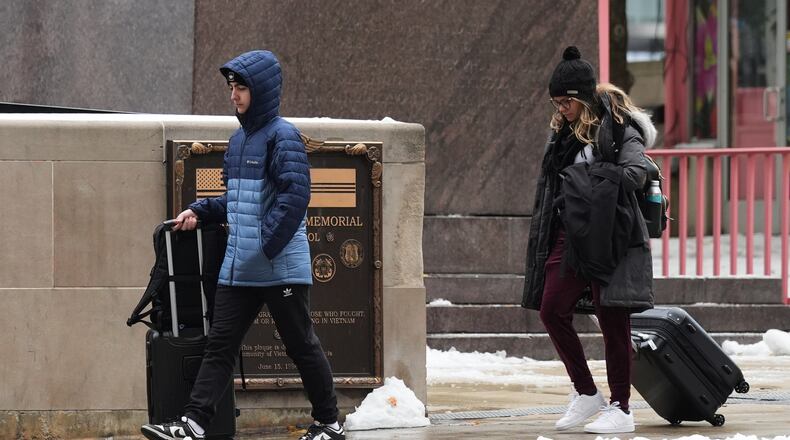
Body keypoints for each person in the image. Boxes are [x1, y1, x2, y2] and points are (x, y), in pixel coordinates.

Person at [141, 50, 344, 440]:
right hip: (241, 267)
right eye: (231, 88)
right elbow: (236, 202)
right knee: (220, 346)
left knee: (300, 345)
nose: (233, 95)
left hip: (276, 265)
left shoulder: (283, 137)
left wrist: (265, 246)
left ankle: (330, 423)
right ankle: (195, 423)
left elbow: (295, 197)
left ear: (262, 90)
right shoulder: (239, 141)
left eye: (241, 88)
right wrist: (201, 212)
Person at [522, 46, 656, 434]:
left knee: (613, 320)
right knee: (551, 309)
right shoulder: (561, 134)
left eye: (566, 101)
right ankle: (586, 393)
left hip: (609, 235)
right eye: (556, 102)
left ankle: (622, 408)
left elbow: (635, 172)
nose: (561, 108)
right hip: (569, 235)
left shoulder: (617, 128)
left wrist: (589, 179)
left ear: (582, 97)